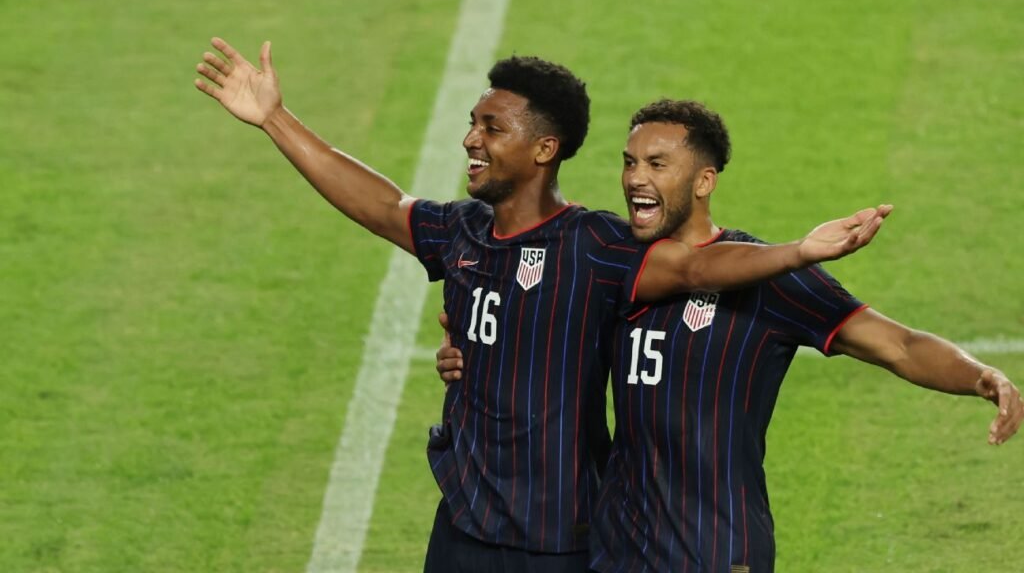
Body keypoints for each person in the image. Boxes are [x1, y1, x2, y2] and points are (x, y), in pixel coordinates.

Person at [194, 39, 889, 573]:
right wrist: (274, 119)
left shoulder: (596, 246)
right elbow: (380, 205)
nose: (471, 139)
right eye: (474, 123)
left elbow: (696, 264)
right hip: (463, 526)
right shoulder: (461, 230)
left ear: (544, 148)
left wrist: (797, 251)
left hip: (561, 542)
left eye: (491, 127)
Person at [435, 100, 1023, 572]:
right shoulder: (608, 267)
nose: (635, 179)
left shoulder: (766, 275)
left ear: (704, 181)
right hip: (616, 549)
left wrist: (981, 376)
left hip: (715, 549)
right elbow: (531, 329)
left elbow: (899, 344)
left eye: (657, 165)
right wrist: (464, 354)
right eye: (629, 162)